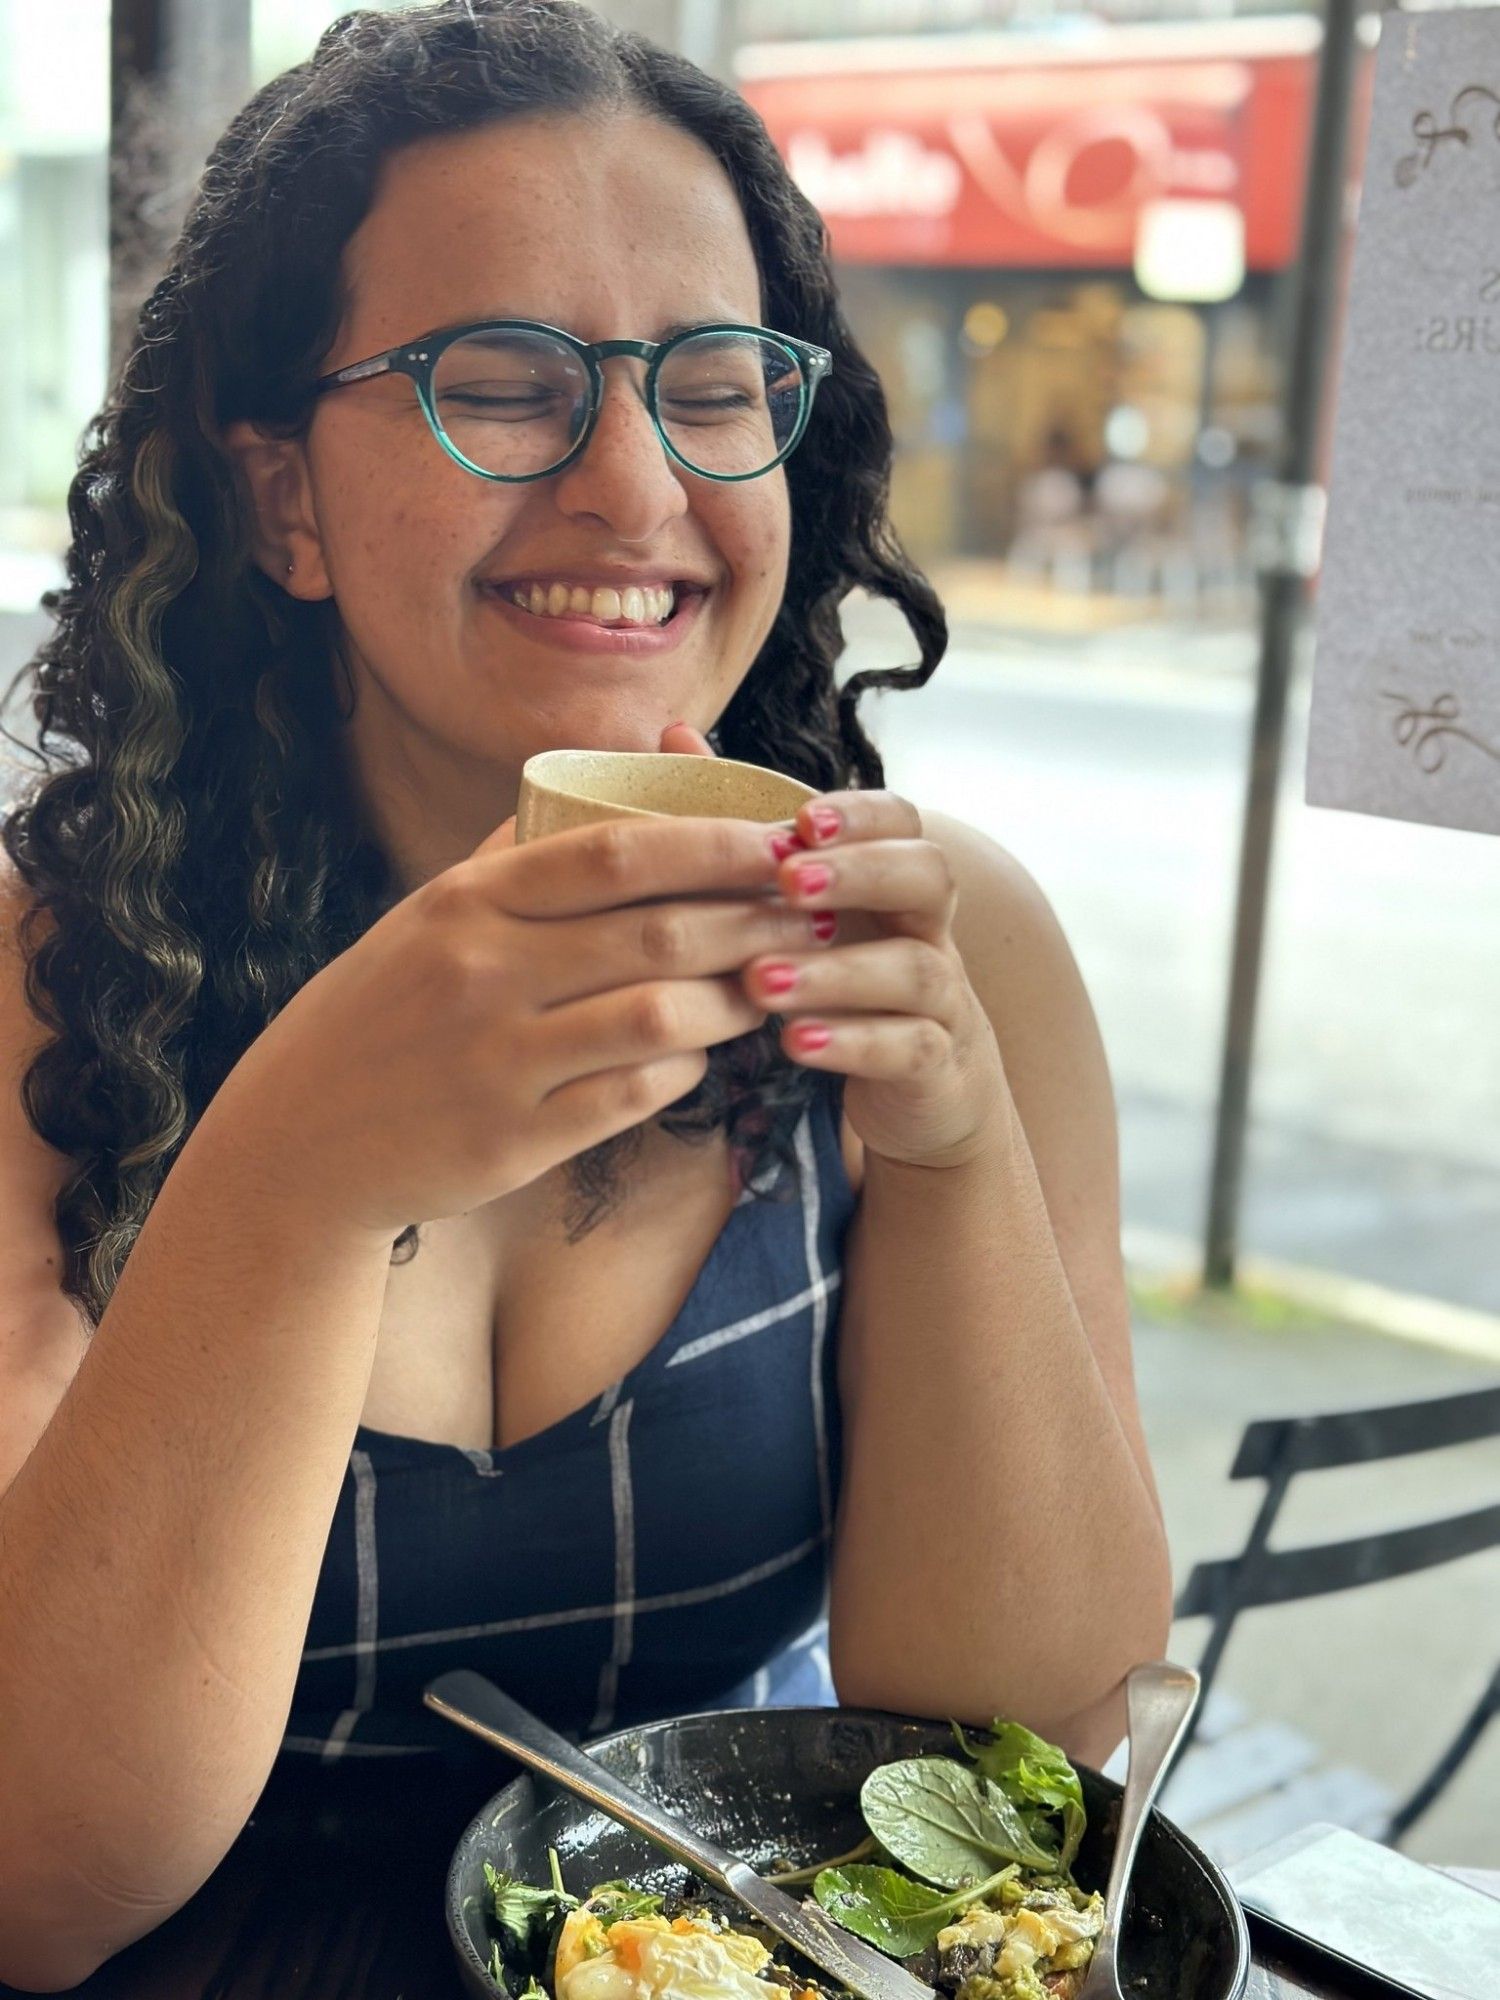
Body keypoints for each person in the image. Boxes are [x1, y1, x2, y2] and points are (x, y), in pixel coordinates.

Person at [0, 1, 1170, 1985]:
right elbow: (33, 1878)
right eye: (504, 383)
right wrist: (290, 1171)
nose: (639, 493)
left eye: (713, 385)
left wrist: (953, 1146)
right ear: (280, 498)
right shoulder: (53, 988)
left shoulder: (941, 942)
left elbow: (1027, 1751)